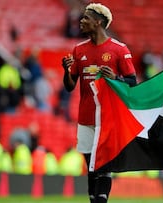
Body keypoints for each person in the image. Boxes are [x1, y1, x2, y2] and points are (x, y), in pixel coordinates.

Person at [61, 3, 137, 203]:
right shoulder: (79, 50)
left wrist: (116, 79)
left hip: (108, 118)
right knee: (91, 166)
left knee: (103, 166)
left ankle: (100, 199)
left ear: (98, 22)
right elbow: (70, 86)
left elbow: (132, 83)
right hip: (86, 116)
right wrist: (66, 72)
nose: (81, 21)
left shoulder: (119, 50)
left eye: (86, 18)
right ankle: (95, 199)